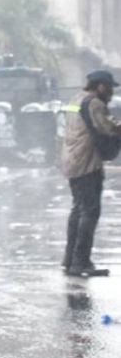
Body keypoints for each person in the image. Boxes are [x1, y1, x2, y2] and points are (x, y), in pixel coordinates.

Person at [61, 69, 121, 278]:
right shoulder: (94, 103)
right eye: (110, 88)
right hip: (87, 163)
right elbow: (107, 128)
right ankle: (80, 262)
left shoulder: (76, 99)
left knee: (78, 210)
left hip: (72, 160)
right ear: (101, 87)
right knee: (89, 211)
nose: (111, 93)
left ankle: (70, 260)